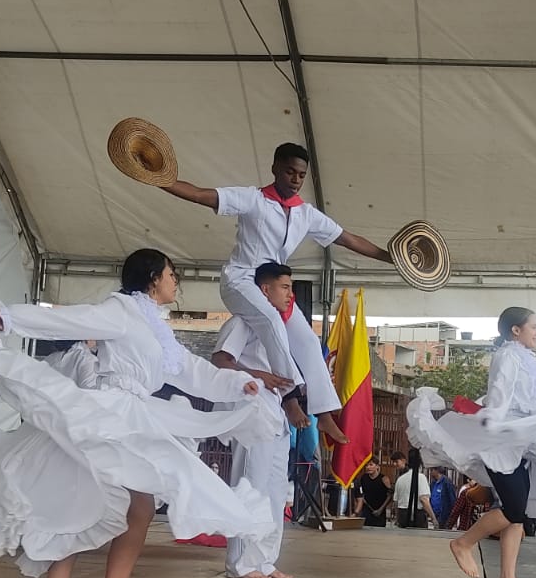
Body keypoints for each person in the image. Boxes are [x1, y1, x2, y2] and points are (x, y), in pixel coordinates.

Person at [0, 248, 283, 578]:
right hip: (112, 411)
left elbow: (191, 371)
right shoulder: (122, 310)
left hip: (132, 412)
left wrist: (239, 384)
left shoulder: (156, 327)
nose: (176, 282)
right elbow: (72, 321)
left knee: (95, 499)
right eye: (172, 274)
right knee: (125, 505)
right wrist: (11, 318)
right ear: (154, 278)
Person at [160, 143, 396, 446]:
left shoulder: (306, 214)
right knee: (271, 320)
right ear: (275, 168)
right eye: (289, 171)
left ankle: (324, 412)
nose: (296, 179)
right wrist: (160, 180)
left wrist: (391, 257)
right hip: (241, 280)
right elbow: (200, 194)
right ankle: (290, 398)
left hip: (273, 288)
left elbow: (348, 239)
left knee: (309, 341)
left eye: (301, 175)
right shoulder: (252, 199)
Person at [406, 307, 536, 578]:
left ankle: (507, 577)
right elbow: (499, 391)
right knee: (512, 509)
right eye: (534, 326)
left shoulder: (526, 358)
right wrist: (495, 420)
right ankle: (463, 543)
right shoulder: (508, 355)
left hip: (520, 439)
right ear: (516, 330)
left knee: (518, 513)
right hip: (502, 439)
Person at [210, 262, 300, 578]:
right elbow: (221, 360)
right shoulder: (244, 322)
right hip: (252, 408)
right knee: (251, 484)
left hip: (274, 413)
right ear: (264, 290)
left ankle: (264, 559)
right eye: (285, 287)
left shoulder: (276, 328)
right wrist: (261, 376)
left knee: (275, 491)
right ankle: (240, 562)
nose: (291, 294)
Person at [395, 448, 437, 529]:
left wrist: (398, 519)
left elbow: (396, 502)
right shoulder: (421, 478)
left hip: (402, 514)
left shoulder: (400, 479)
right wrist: (433, 518)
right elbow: (424, 500)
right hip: (417, 515)